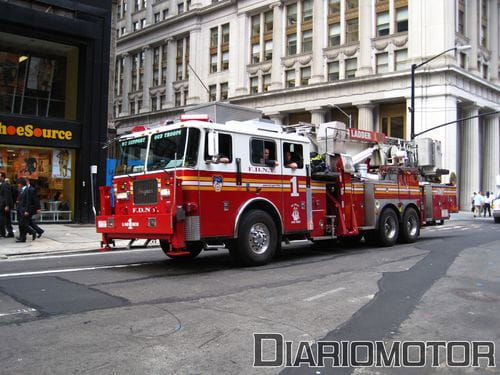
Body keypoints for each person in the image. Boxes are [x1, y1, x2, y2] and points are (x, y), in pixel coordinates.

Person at [16, 178, 37, 242]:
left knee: (23, 224)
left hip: (24, 210)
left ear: (21, 184)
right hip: (20, 209)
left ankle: (32, 231)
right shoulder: (21, 190)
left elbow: (28, 201)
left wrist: (27, 211)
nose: (18, 185)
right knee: (20, 224)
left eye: (18, 184)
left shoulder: (27, 190)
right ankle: (22, 237)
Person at [0, 172, 14, 238]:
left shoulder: (5, 185)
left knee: (4, 219)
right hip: (3, 205)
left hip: (4, 205)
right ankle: (9, 232)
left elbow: (7, 195)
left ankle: (4, 233)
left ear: (2, 177)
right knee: (6, 219)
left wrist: (7, 205)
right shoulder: (3, 184)